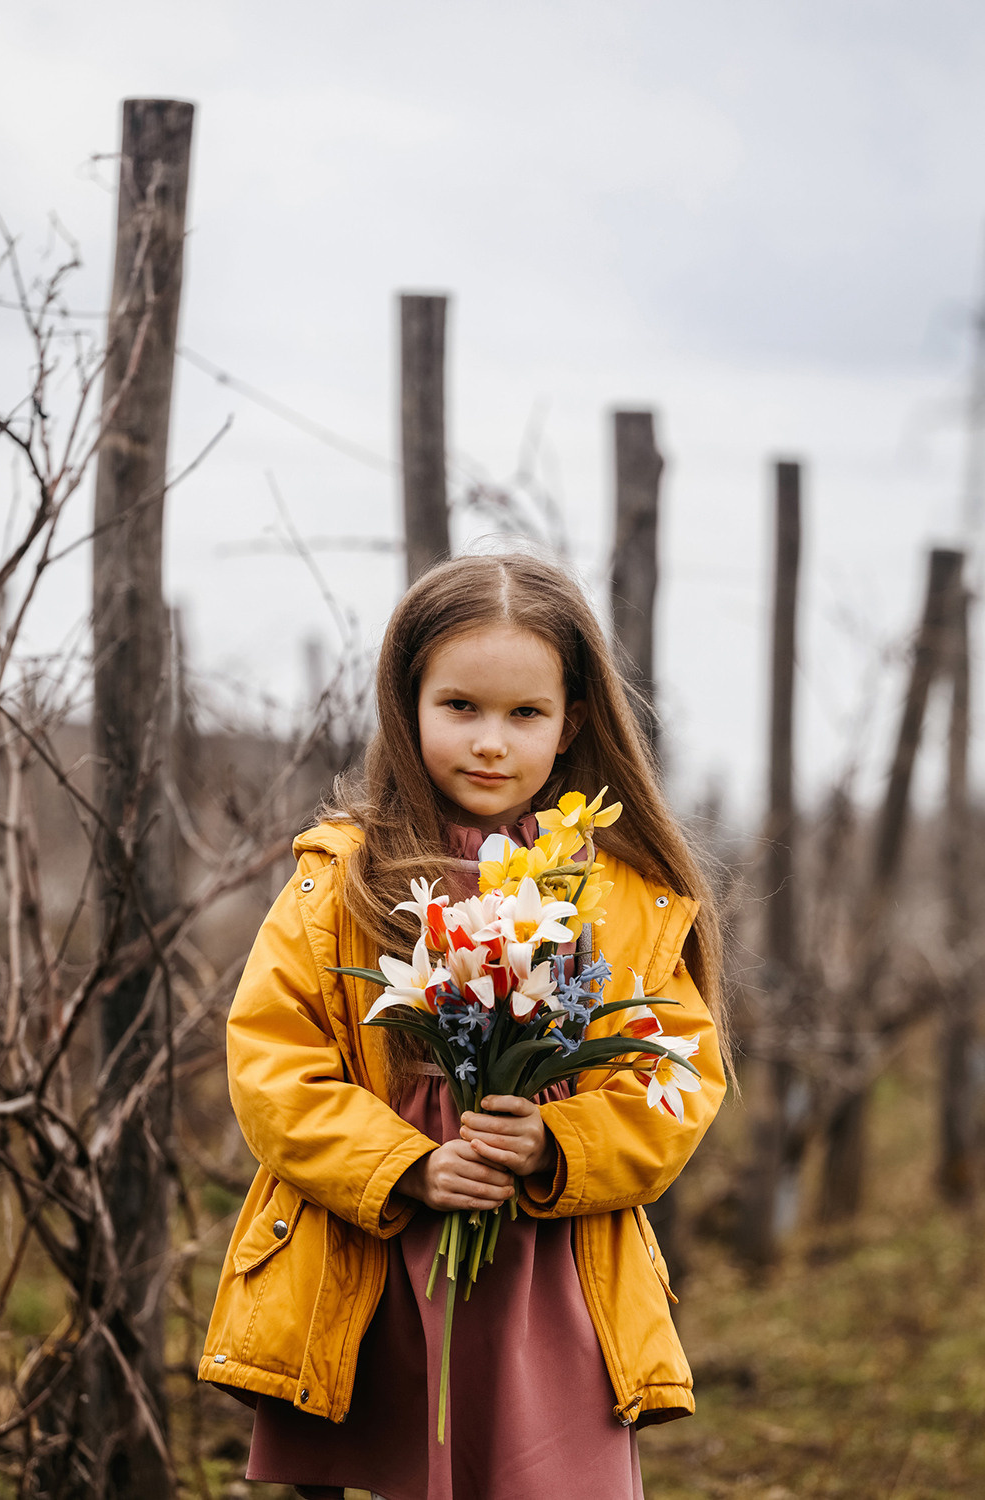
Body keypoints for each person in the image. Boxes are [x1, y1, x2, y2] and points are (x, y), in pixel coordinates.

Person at [200, 551, 730, 1500]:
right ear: (407, 707)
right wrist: (403, 1165)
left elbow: (677, 1078)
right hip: (381, 1258)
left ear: (572, 723)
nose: (491, 743)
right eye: (460, 707)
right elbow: (274, 1065)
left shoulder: (620, 895)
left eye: (525, 714)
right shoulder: (347, 878)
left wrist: (558, 1142)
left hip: (549, 1265)